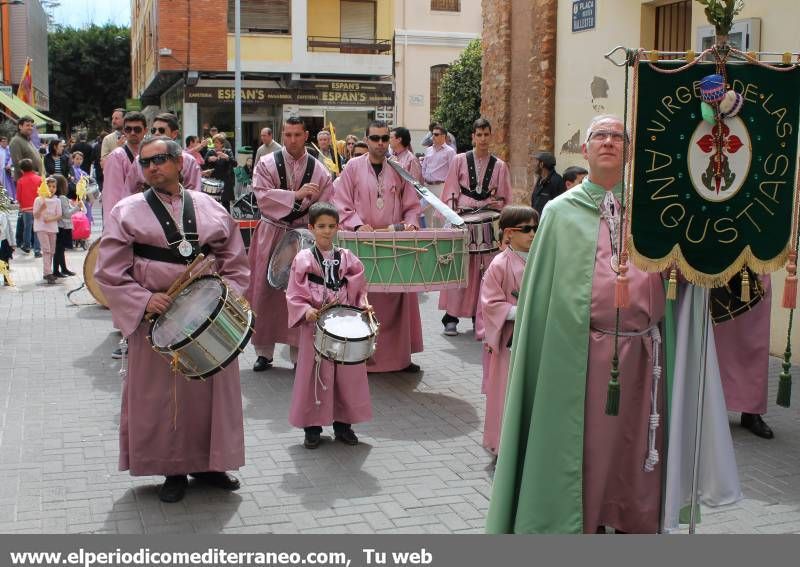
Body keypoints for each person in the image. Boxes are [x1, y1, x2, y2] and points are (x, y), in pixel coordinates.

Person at [487, 115, 666, 534]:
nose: (608, 142)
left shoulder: (652, 208)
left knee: (636, 446)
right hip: (580, 354)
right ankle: (580, 524)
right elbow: (543, 294)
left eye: (618, 136)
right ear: (585, 150)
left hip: (644, 354)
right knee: (586, 449)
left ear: (629, 150)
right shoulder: (559, 212)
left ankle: (628, 519)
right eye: (599, 136)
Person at [94, 137, 250, 503]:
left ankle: (212, 464)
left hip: (208, 321)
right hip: (155, 320)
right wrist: (145, 299)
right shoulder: (126, 211)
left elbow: (235, 262)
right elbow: (109, 272)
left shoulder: (210, 206)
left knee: (211, 393)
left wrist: (223, 300)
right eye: (146, 163)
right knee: (164, 397)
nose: (153, 167)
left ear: (180, 162)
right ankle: (172, 469)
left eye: (161, 159)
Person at [333, 120, 424, 373]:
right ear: (367, 138)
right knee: (363, 301)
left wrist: (411, 224)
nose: (380, 143)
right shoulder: (352, 167)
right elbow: (340, 201)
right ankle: (362, 357)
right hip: (362, 245)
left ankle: (399, 358)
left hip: (393, 244)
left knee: (397, 299)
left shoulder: (398, 168)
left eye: (385, 138)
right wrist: (357, 225)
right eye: (375, 138)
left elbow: (412, 205)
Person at [246, 116, 333, 372]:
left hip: (303, 236)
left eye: (297, 134)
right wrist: (295, 195)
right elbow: (261, 196)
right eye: (288, 134)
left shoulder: (321, 170)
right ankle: (263, 352)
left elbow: (326, 204)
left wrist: (318, 230)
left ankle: (299, 353)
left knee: (302, 293)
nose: (292, 139)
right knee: (264, 291)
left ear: (307, 135)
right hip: (271, 231)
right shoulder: (266, 163)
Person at [286, 201, 372, 449]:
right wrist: (305, 310)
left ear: (338, 227)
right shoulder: (303, 258)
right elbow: (294, 292)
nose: (326, 231)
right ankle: (312, 428)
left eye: (331, 226)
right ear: (311, 228)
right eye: (321, 226)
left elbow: (359, 287)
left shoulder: (346, 257)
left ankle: (344, 424)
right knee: (314, 374)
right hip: (315, 325)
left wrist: (363, 305)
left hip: (343, 323)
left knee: (347, 374)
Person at [439, 118, 512, 336]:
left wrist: (504, 220)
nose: (482, 139)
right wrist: (452, 216)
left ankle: (477, 315)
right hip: (464, 221)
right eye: (478, 135)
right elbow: (451, 189)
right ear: (473, 137)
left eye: (486, 134)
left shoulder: (500, 165)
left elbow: (506, 196)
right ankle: (450, 316)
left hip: (488, 226)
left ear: (491, 136)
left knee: (485, 272)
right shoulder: (460, 160)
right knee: (461, 269)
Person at [479, 205, 538, 456]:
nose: (533, 234)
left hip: (536, 335)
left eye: (536, 228)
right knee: (506, 390)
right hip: (508, 341)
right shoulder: (499, 264)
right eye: (526, 229)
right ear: (508, 233)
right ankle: (502, 442)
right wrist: (520, 311)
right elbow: (490, 304)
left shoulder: (541, 259)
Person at [714, 276, 774, 439]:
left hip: (754, 260)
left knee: (755, 337)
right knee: (715, 337)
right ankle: (708, 407)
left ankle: (751, 411)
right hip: (719, 260)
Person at [102, 111, 148, 221]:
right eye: (128, 129)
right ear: (124, 131)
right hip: (127, 219)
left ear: (145, 130)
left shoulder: (149, 153)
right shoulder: (117, 156)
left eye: (137, 129)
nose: (132, 132)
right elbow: (112, 196)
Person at [150, 113, 202, 192]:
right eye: (153, 130)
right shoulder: (141, 159)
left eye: (161, 130)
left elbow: (195, 192)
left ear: (174, 134)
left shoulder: (189, 161)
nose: (156, 133)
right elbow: (130, 190)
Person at [421, 123, 456, 228]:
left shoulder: (450, 151)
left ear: (443, 136)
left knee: (440, 216)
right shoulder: (429, 150)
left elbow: (453, 171)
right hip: (428, 186)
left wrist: (448, 189)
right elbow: (424, 166)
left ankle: (441, 239)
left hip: (441, 187)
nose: (433, 137)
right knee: (426, 215)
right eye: (433, 134)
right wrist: (425, 177)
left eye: (436, 134)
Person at [33, 176, 62, 284]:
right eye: (49, 186)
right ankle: (48, 273)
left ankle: (46, 272)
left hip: (52, 228)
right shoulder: (38, 199)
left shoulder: (57, 200)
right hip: (41, 228)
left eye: (54, 186)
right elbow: (35, 215)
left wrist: (50, 219)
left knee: (52, 251)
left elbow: (59, 215)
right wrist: (41, 208)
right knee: (46, 250)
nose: (51, 188)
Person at [51, 174, 81, 277]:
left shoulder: (55, 197)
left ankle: (63, 269)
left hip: (57, 226)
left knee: (60, 249)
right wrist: (78, 208)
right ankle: (56, 270)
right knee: (59, 249)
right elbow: (67, 213)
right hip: (64, 226)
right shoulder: (62, 197)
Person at [14, 158, 42, 257]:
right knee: (37, 228)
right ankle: (37, 250)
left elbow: (18, 196)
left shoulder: (20, 181)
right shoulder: (39, 179)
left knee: (27, 228)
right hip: (38, 207)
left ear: (22, 170)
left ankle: (27, 246)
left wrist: (21, 206)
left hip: (26, 208)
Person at [202, 133, 235, 211]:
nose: (215, 144)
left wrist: (227, 158)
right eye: (214, 142)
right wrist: (209, 160)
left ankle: (227, 222)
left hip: (225, 181)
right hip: (213, 182)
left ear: (222, 144)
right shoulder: (210, 152)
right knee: (212, 205)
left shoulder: (228, 152)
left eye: (217, 142)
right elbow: (203, 165)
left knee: (226, 205)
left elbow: (234, 164)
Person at [530, 150, 564, 215]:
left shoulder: (557, 181)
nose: (533, 165)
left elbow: (560, 206)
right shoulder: (540, 179)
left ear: (541, 164)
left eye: (536, 161)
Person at [0, 136, 15, 201]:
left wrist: (9, 165)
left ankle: (11, 197)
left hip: (8, 169)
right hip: (1, 170)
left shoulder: (9, 149)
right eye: (3, 141)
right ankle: (3, 198)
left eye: (6, 141)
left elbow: (12, 157)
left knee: (10, 184)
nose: (4, 143)